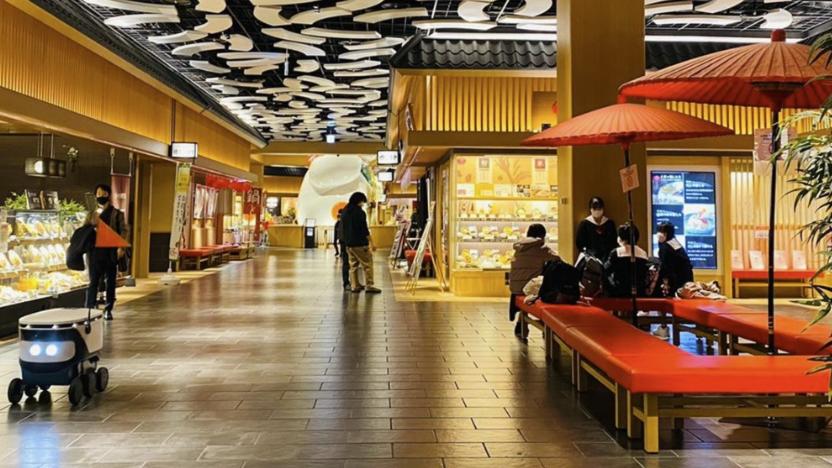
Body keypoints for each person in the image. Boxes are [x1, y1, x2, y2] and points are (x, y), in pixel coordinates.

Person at [509, 224, 561, 339]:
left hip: (515, 287)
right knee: (548, 284)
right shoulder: (541, 248)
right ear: (542, 236)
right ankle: (548, 326)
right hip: (529, 288)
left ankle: (521, 324)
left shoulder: (520, 247)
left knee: (533, 281)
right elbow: (558, 260)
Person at [86, 184, 128, 320]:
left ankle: (108, 308)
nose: (100, 196)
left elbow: (123, 230)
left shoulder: (116, 214)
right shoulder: (92, 214)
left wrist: (121, 247)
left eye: (103, 194)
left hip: (110, 252)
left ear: (108, 195)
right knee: (93, 281)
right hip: (94, 253)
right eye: (98, 194)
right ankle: (90, 308)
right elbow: (85, 230)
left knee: (110, 281)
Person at [341, 192, 381, 294]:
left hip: (349, 244)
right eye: (362, 201)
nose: (363, 204)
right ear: (359, 201)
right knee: (367, 264)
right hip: (360, 243)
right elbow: (364, 229)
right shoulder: (359, 213)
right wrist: (372, 242)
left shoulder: (345, 211)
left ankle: (355, 286)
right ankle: (369, 285)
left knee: (353, 266)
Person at [603, 223, 649, 298]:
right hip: (640, 292)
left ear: (621, 238)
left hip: (619, 292)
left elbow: (606, 270)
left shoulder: (617, 252)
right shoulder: (643, 253)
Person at [657, 222, 694, 294]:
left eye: (662, 232)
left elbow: (665, 268)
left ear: (667, 233)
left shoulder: (666, 247)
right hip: (687, 282)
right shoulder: (674, 243)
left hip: (677, 283)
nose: (659, 234)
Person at [334, 209, 350, 291]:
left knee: (346, 263)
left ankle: (348, 282)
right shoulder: (345, 220)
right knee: (347, 263)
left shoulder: (340, 221)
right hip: (347, 243)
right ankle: (348, 282)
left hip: (344, 243)